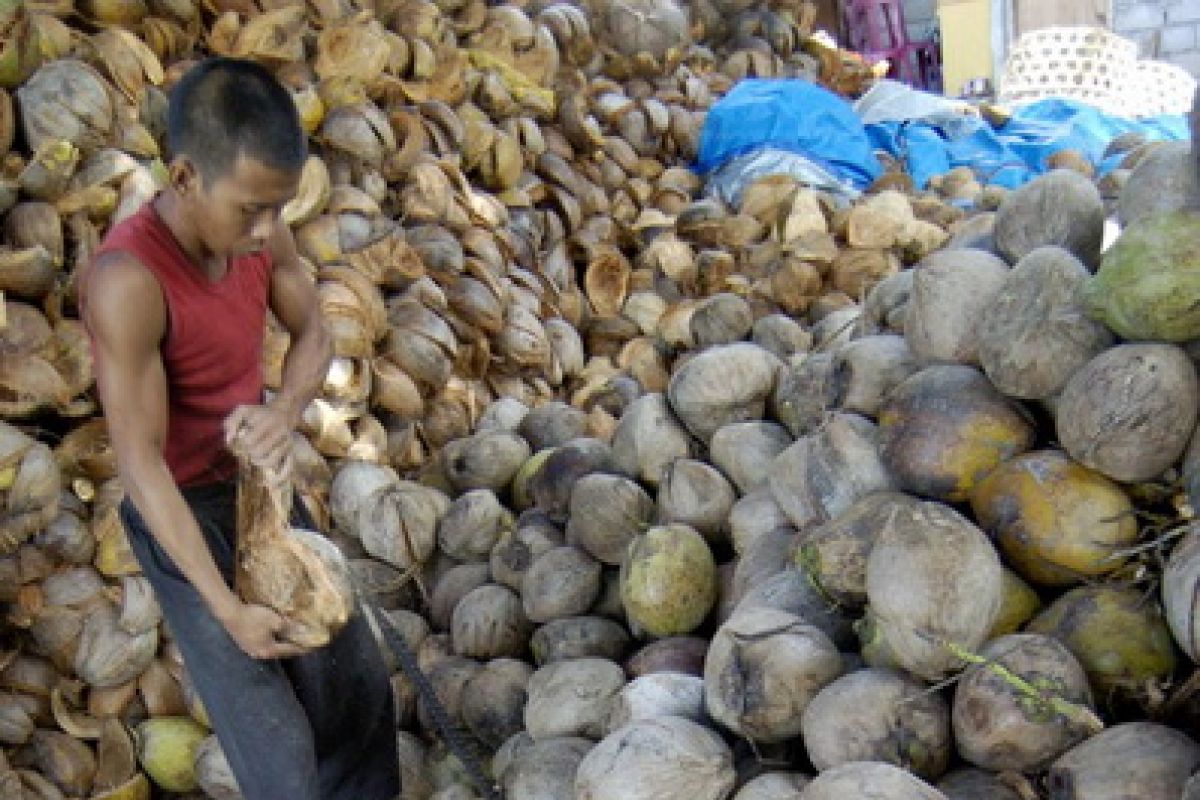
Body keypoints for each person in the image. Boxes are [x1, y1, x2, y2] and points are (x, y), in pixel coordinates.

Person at [79, 57, 400, 800]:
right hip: (179, 506)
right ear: (186, 177)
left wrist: (283, 413)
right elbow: (141, 465)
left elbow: (314, 331)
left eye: (278, 210)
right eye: (250, 210)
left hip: (257, 483)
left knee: (350, 684)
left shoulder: (262, 231)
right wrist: (228, 611)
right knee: (276, 742)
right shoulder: (129, 283)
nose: (265, 232)